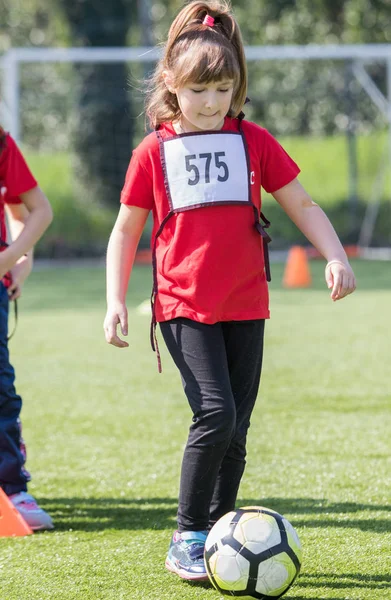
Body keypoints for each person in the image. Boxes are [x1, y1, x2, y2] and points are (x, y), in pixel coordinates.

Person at [104, 0, 356, 582]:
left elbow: (302, 203)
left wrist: (336, 255)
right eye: (199, 90)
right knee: (214, 414)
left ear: (237, 85)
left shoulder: (254, 141)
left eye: (223, 88)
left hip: (247, 305)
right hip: (183, 307)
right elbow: (125, 229)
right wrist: (117, 299)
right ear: (172, 85)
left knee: (237, 426)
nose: (212, 102)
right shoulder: (153, 152)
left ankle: (218, 531)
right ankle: (187, 533)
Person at [0, 125, 53, 530]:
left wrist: (19, 258)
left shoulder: (1, 143)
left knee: (0, 387)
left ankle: (11, 487)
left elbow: (34, 210)